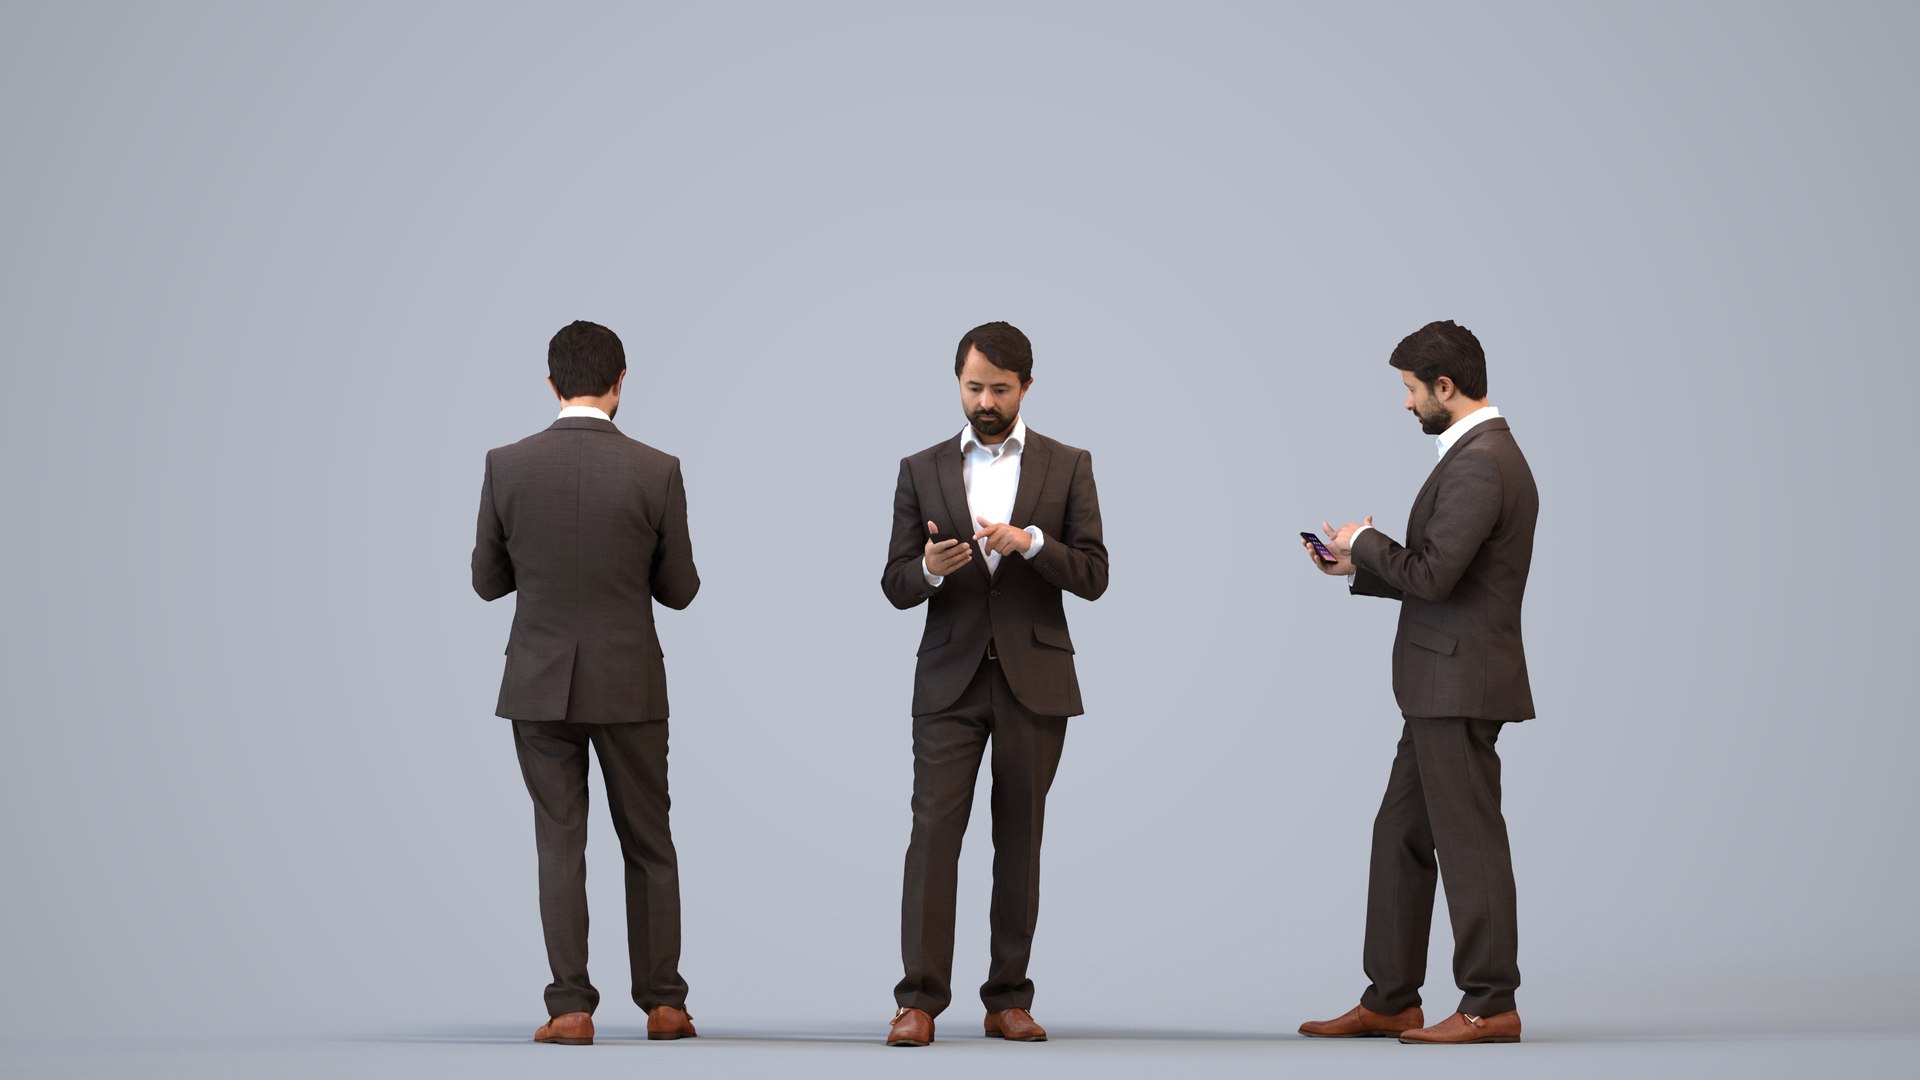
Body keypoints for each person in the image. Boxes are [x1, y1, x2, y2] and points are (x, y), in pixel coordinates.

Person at [1298, 320, 1539, 1046]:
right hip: (1441, 682)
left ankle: (1490, 1004)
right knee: (1400, 834)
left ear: (1446, 386)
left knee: (1468, 842)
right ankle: (1392, 999)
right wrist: (1358, 566)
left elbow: (1435, 574)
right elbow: (1444, 573)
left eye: (1411, 390)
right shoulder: (1476, 456)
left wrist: (1363, 541)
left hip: (1460, 682)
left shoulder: (1481, 462)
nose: (1406, 404)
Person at [879, 321, 1109, 1047]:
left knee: (1021, 840)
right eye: (973, 386)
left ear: (1026, 389)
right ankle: (919, 1001)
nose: (984, 399)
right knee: (932, 838)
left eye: (999, 389)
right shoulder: (919, 468)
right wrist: (928, 572)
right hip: (948, 679)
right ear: (958, 382)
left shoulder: (1069, 465)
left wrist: (1032, 543)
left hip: (1034, 680)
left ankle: (1008, 997)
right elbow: (892, 583)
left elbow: (1096, 576)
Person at [471, 320, 701, 1046]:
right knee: (649, 842)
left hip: (539, 683)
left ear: (551, 384)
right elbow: (680, 590)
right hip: (630, 681)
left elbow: (485, 582)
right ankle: (664, 1004)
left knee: (558, 844)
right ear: (621, 383)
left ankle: (569, 1008)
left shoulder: (506, 465)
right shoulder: (656, 469)